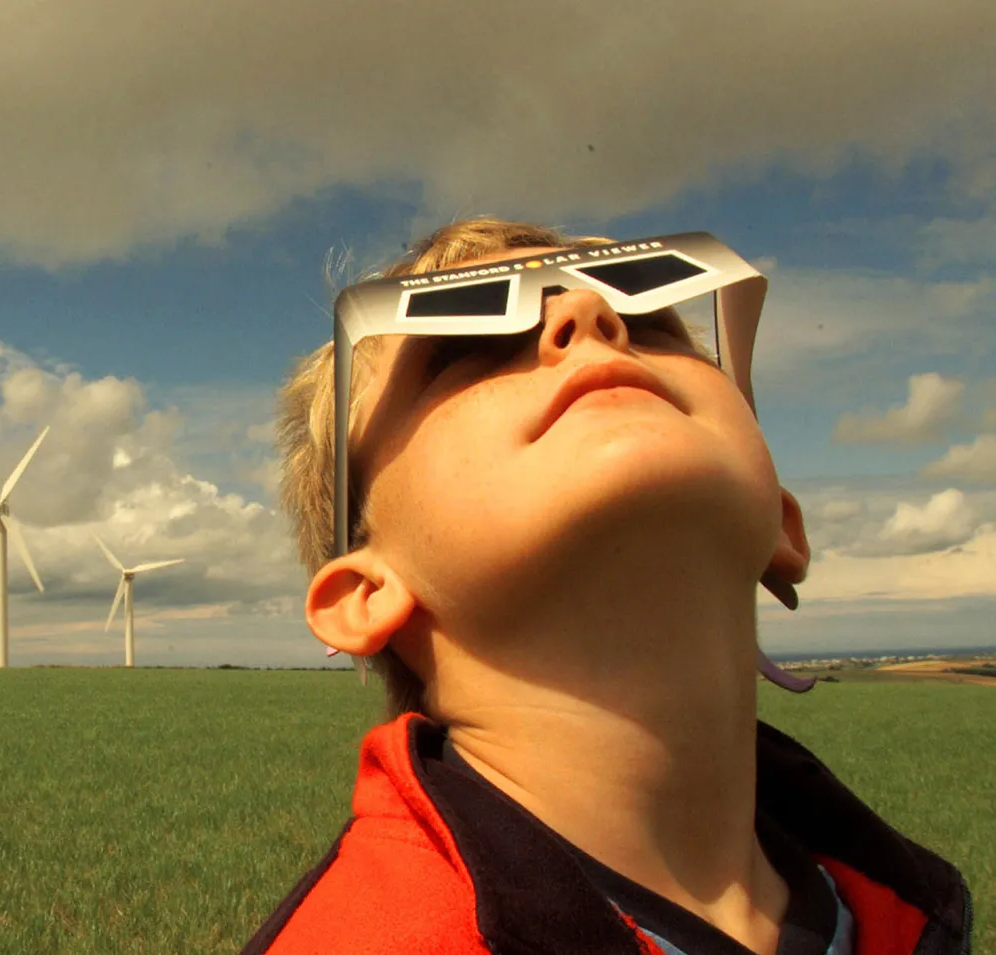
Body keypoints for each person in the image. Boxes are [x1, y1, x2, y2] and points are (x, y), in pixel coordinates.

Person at [241, 218, 973, 955]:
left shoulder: (905, 910)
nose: (587, 317)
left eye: (650, 322)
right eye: (470, 343)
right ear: (365, 593)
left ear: (784, 527)